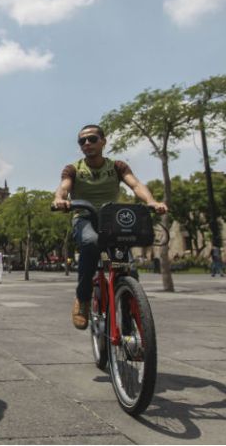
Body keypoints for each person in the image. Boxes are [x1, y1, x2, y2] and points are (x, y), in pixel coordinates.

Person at [52, 124, 168, 330]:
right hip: (85, 217)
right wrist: (60, 199)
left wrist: (151, 201)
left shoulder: (117, 166)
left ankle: (130, 320)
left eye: (92, 139)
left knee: (129, 269)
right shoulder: (73, 169)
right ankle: (83, 298)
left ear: (103, 141)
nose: (87, 143)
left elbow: (136, 185)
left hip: (112, 220)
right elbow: (63, 187)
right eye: (82, 141)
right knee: (90, 242)